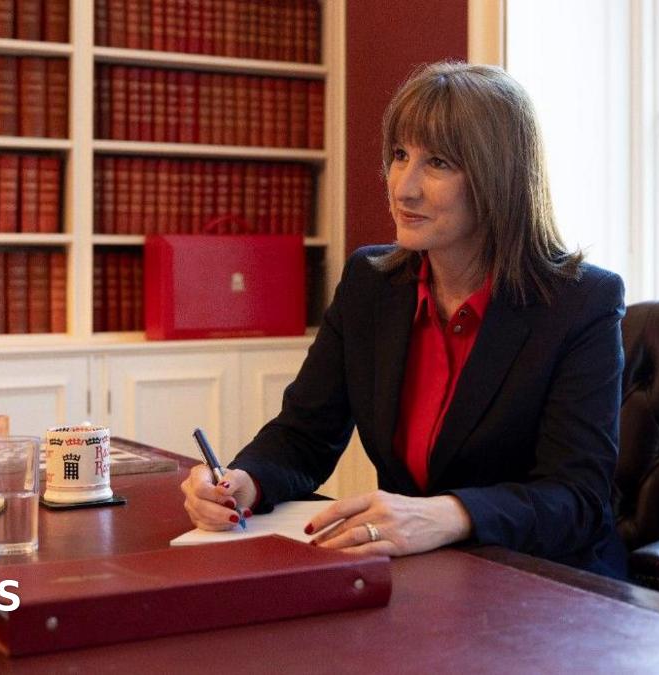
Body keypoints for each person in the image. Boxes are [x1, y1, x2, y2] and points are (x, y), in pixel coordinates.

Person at [180, 61, 628, 579]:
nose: (404, 187)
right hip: (422, 575)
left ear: (499, 178)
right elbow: (304, 434)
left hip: (545, 583)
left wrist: (450, 514)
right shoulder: (371, 283)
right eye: (399, 155)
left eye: (437, 163)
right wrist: (244, 483)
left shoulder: (580, 302)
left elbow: (576, 498)